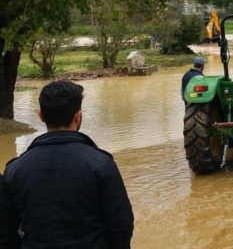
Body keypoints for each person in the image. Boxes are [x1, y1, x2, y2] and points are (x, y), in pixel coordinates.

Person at [0, 81, 134, 249]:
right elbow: (122, 225)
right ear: (78, 116)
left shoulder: (14, 170)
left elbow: (5, 233)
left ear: (41, 116)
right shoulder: (101, 164)